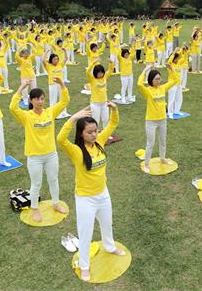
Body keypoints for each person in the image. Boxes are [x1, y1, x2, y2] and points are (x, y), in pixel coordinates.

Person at [57, 103, 125, 282]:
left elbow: (112, 125)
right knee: (86, 233)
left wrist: (114, 110)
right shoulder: (76, 150)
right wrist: (73, 118)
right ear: (81, 134)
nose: (94, 134)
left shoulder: (99, 142)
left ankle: (109, 246)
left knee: (107, 224)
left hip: (103, 194)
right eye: (89, 132)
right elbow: (60, 139)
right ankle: (84, 265)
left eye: (95, 131)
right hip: (85, 199)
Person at [10, 77, 70, 222]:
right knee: (36, 183)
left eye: (42, 98)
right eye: (37, 99)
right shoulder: (27, 116)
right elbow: (13, 107)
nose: (40, 101)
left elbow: (64, 101)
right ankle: (35, 209)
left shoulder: (50, 112)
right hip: (34, 156)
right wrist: (22, 87)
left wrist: (62, 85)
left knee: (53, 179)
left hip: (51, 154)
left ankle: (55, 203)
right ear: (31, 101)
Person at [137, 65, 178, 173]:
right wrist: (145, 70)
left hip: (162, 120)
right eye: (156, 79)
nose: (159, 81)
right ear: (151, 80)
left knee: (163, 141)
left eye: (160, 78)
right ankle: (146, 163)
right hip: (151, 121)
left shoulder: (163, 88)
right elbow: (139, 84)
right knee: (150, 143)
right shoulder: (148, 91)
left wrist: (172, 69)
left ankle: (162, 158)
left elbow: (176, 80)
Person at [42, 51, 70, 119]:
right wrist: (46, 52)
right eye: (54, 59)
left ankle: (64, 112)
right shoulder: (48, 66)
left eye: (57, 59)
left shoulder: (60, 64)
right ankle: (54, 114)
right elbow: (42, 60)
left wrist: (65, 51)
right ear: (51, 60)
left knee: (62, 98)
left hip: (61, 84)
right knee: (53, 100)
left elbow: (66, 58)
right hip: (53, 84)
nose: (56, 60)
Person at [86, 60, 113, 129]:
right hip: (95, 104)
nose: (101, 74)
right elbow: (88, 72)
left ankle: (105, 133)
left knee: (106, 119)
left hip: (104, 103)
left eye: (102, 73)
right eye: (99, 73)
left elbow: (110, 70)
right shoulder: (92, 79)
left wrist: (111, 63)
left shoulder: (104, 77)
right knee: (96, 121)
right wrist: (92, 63)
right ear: (95, 73)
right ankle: (96, 134)